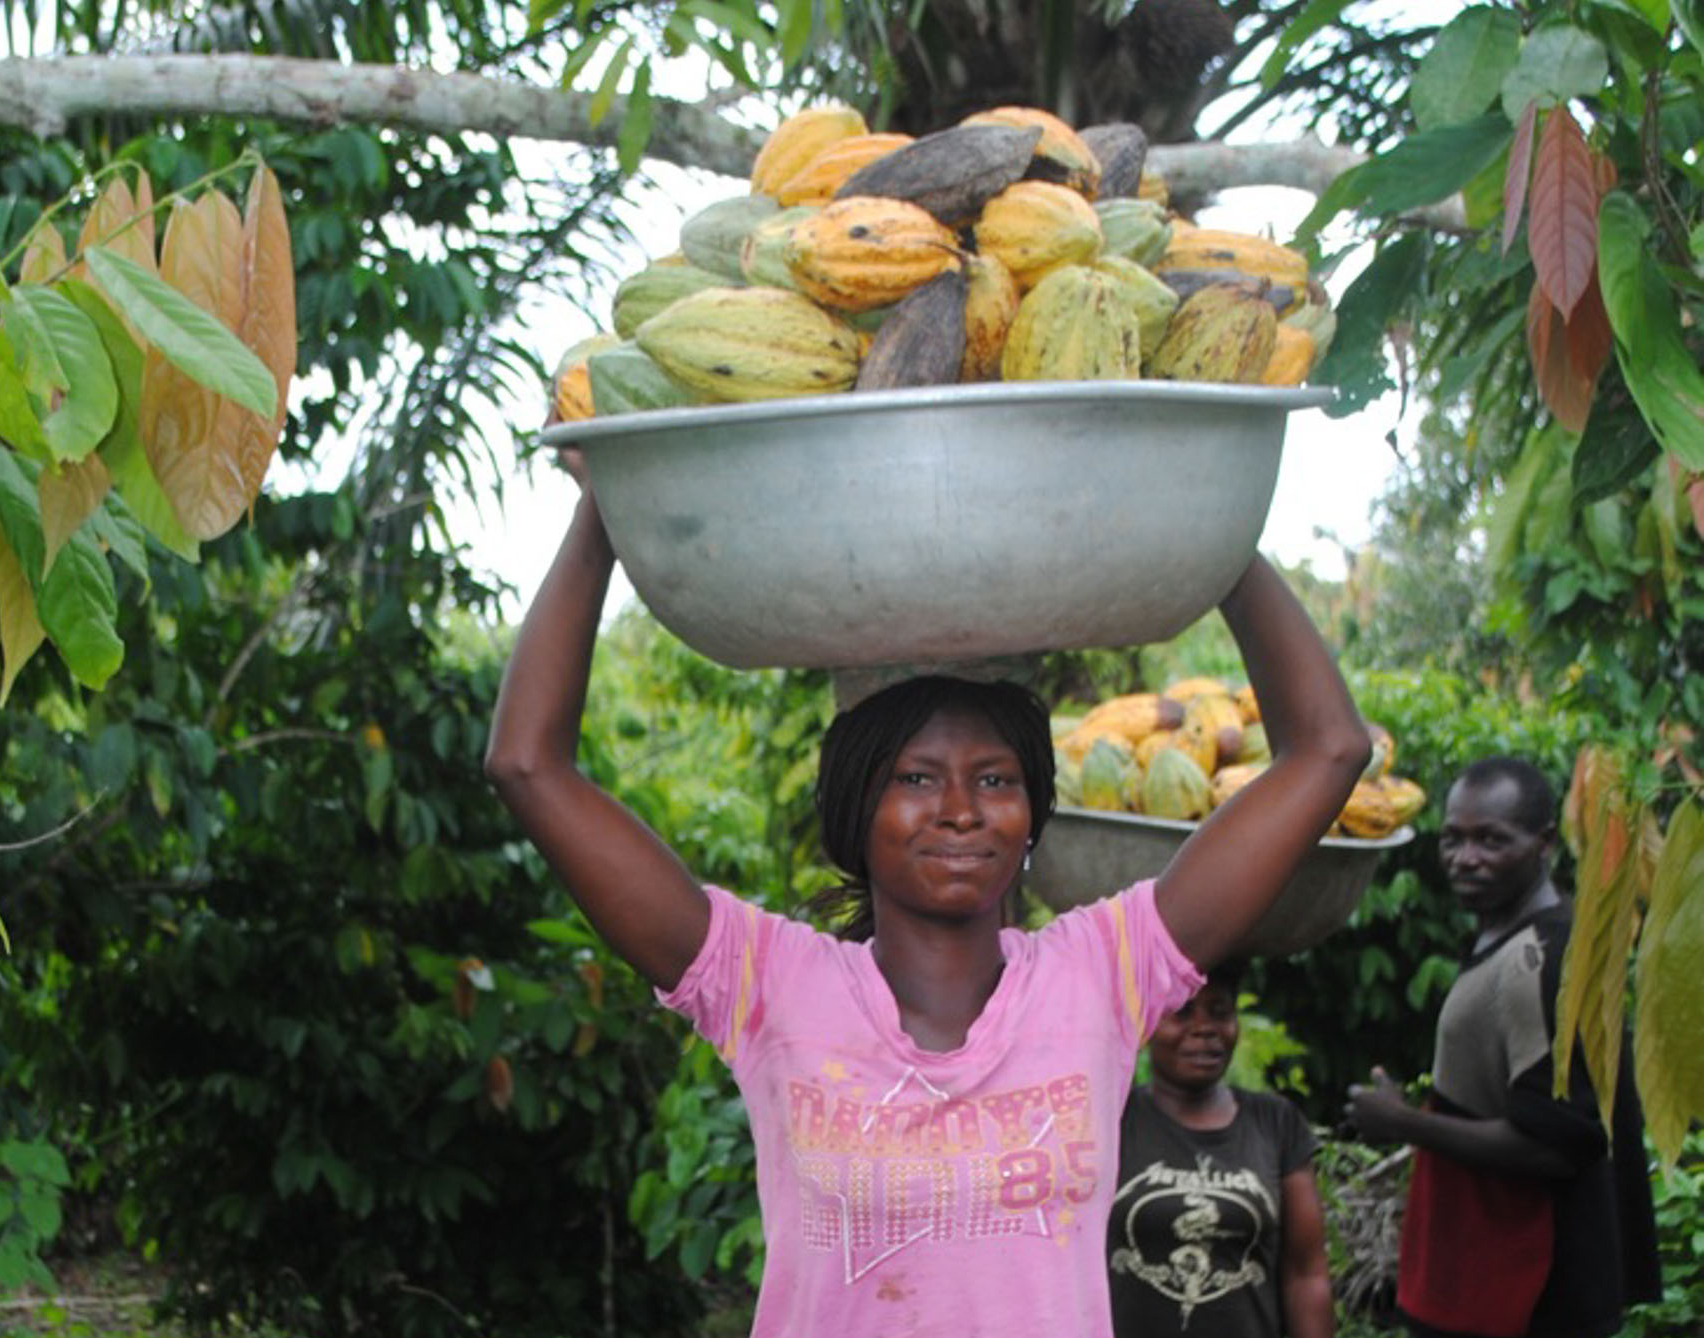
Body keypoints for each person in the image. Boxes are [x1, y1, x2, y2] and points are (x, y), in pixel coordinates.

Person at [485, 453, 1370, 1337]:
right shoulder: (768, 984)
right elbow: (527, 765)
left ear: (1031, 816)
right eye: (915, 777)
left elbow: (1328, 749)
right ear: (854, 812)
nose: (958, 810)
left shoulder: (1103, 973)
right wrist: (602, 511)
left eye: (994, 780)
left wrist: (1214, 516)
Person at [1344, 757, 1662, 1338]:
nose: (1466, 857)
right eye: (1454, 839)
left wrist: (1404, 1123)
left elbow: (1557, 1144)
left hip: (1527, 1297)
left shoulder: (1541, 958)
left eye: (1492, 840)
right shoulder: (1507, 934)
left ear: (1544, 844)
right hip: (1485, 1282)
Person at [1107, 961, 1335, 1338]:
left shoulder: (1275, 1123)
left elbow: (1305, 1273)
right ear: (1147, 1023)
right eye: (1182, 1013)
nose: (1205, 1029)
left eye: (1220, 1013)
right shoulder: (1114, 1119)